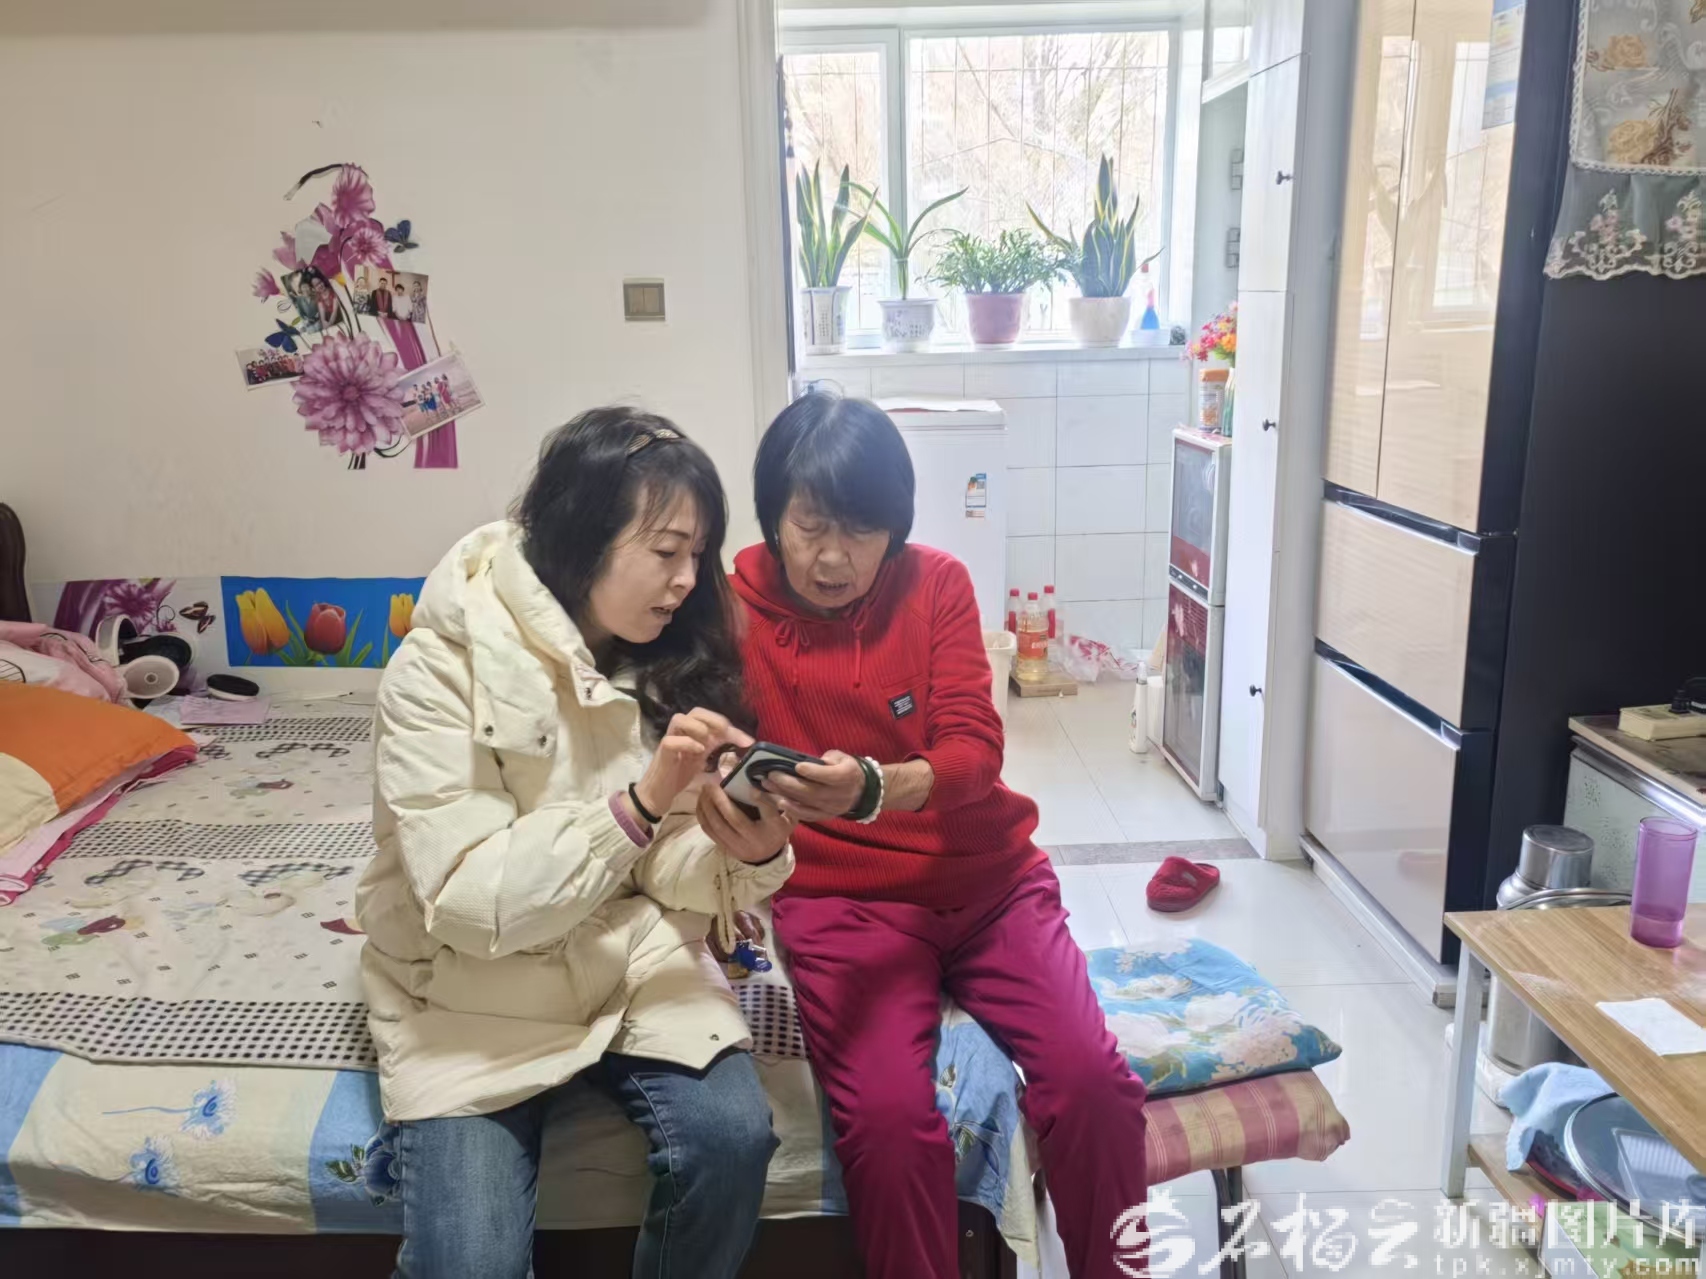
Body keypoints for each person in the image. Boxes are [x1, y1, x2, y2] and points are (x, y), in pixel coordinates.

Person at [359, 407, 796, 1279]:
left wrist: (743, 849)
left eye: (699, 553)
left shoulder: (667, 657)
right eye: (665, 551)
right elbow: (468, 902)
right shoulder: (438, 668)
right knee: (470, 1265)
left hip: (626, 956)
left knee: (734, 1139)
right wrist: (637, 806)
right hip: (467, 987)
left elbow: (665, 870)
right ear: (583, 532)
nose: (687, 580)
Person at [729, 392, 1149, 1279]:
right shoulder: (733, 614)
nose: (833, 556)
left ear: (897, 525)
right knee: (886, 1123)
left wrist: (875, 787)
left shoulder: (937, 584)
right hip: (841, 903)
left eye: (861, 529)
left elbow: (974, 750)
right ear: (772, 515)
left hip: (990, 885)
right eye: (809, 525)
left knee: (1094, 1084)